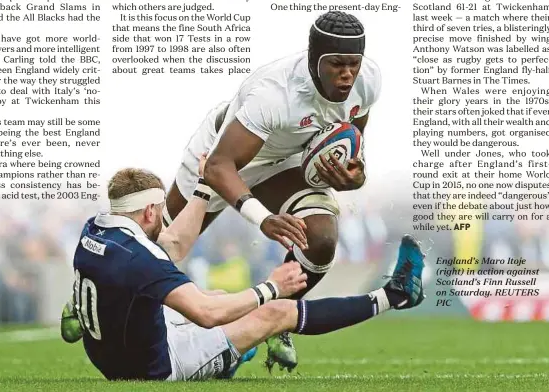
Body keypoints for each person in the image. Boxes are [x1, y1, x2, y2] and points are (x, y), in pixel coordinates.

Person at [163, 11, 381, 370]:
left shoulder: (368, 80)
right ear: (313, 60)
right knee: (155, 249)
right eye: (336, 64)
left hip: (284, 161)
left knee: (321, 240)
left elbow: (352, 141)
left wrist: (356, 176)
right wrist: (263, 219)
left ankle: (272, 321)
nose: (347, 74)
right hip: (220, 154)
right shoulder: (275, 94)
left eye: (353, 64)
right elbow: (219, 167)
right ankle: (85, 292)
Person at [63, 165, 425, 381]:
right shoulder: (138, 258)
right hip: (154, 368)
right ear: (148, 212)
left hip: (114, 353)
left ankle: (234, 352)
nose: (161, 218)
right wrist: (273, 287)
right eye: (159, 211)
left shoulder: (97, 227)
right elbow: (206, 316)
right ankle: (397, 294)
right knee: (275, 312)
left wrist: (205, 187)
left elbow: (171, 245)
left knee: (219, 296)